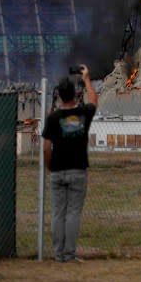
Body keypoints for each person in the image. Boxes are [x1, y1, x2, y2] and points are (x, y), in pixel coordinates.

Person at [42, 64, 98, 262]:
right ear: (75, 94)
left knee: (58, 214)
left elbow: (46, 147)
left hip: (58, 171)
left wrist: (49, 167)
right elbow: (94, 100)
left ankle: (58, 255)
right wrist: (87, 79)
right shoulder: (83, 114)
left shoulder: (53, 118)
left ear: (59, 96)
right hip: (77, 170)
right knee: (73, 214)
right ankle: (69, 254)